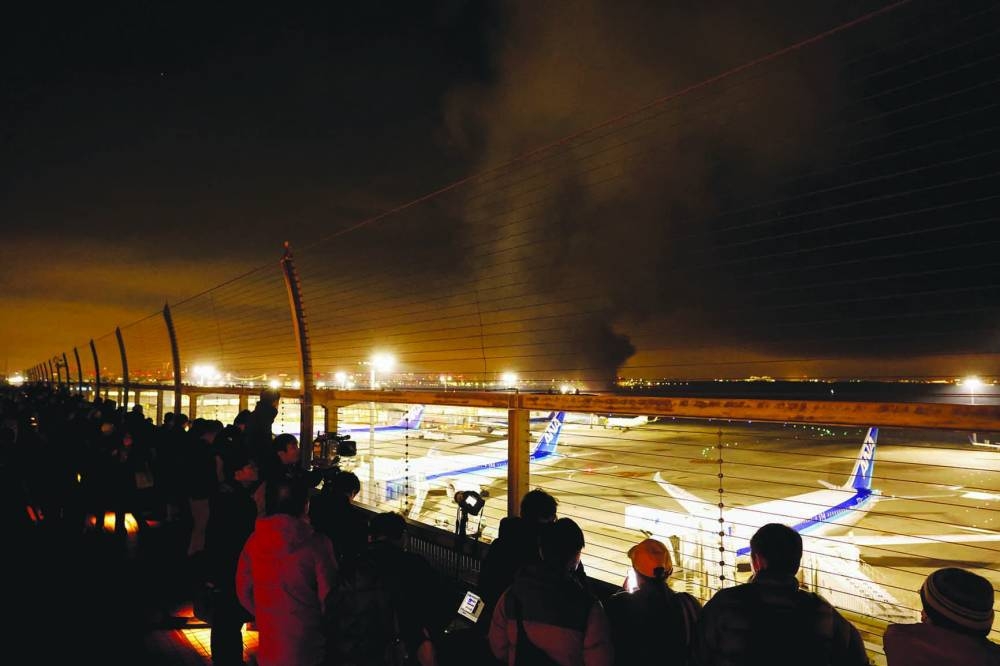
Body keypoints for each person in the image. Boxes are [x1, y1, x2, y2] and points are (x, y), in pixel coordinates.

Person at [691, 523, 869, 666]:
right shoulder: (822, 612)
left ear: (757, 561)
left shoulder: (725, 604)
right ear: (797, 563)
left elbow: (696, 656)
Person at [236, 476, 338, 666]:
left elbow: (243, 590)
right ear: (305, 505)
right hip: (309, 642)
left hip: (270, 640)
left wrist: (265, 613)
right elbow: (330, 598)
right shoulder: (318, 544)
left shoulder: (254, 541)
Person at [489, 517, 614, 666]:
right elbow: (599, 660)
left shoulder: (511, 596)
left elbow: (499, 648)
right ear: (575, 557)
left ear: (541, 551)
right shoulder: (589, 608)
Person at [605, 538, 702, 665]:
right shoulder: (688, 604)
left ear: (635, 572)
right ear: (670, 571)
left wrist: (622, 594)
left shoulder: (618, 605)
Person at [204, 450, 259, 665]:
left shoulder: (225, 493)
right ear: (238, 473)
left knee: (225, 620)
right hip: (231, 565)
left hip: (223, 565)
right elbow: (238, 537)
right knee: (229, 618)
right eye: (250, 467)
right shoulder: (239, 500)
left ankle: (225, 659)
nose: (255, 469)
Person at [883, 567, 1000, 665]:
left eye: (926, 609)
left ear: (931, 618)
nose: (921, 613)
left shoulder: (899, 641)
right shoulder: (989, 658)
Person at [479, 489, 559, 619]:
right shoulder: (541, 555)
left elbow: (484, 587)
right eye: (552, 519)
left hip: (496, 615)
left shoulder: (501, 543)